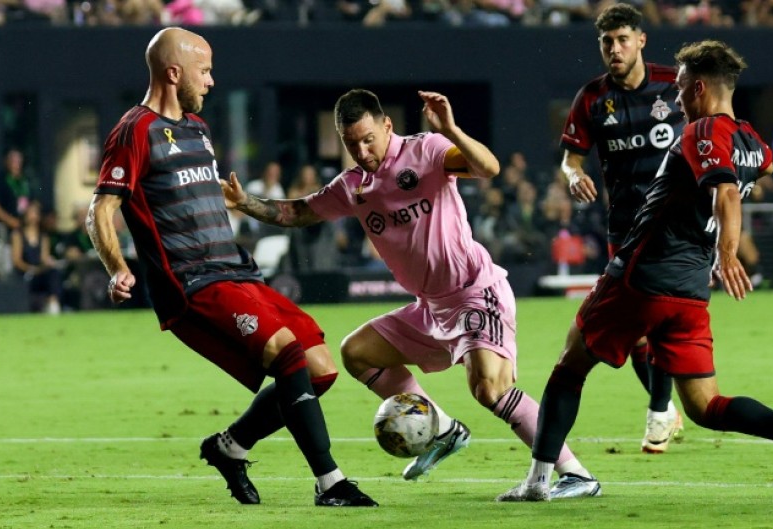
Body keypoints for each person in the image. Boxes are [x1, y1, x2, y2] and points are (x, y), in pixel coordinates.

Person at [497, 39, 773, 502]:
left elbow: (726, 191)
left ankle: (538, 481)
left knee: (570, 365)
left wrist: (728, 251)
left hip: (642, 276)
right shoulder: (751, 142)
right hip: (690, 291)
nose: (677, 99)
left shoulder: (702, 130)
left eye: (682, 88)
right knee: (706, 405)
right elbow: (761, 167)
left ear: (700, 88)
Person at [221, 88, 601, 499]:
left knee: (490, 390)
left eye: (368, 139)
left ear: (387, 126)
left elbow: (488, 167)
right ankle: (442, 429)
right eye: (351, 144)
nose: (362, 151)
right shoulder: (353, 185)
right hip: (431, 308)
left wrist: (451, 129)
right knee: (357, 352)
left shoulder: (427, 150)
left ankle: (574, 473)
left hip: (475, 292)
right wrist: (245, 203)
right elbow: (298, 212)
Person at [86, 27, 376, 508]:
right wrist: (117, 267)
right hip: (192, 282)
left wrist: (238, 202)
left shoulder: (198, 130)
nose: (211, 81)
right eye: (204, 71)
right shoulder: (134, 130)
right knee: (287, 354)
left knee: (320, 369)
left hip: (237, 272)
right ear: (173, 73)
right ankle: (331, 483)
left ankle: (232, 446)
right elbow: (101, 209)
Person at [559, 2, 686, 453]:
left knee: (658, 318)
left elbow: (712, 121)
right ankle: (665, 408)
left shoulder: (675, 84)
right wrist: (574, 176)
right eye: (607, 42)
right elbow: (570, 159)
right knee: (633, 335)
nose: (614, 49)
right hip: (624, 226)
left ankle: (658, 412)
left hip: (676, 224)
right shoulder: (592, 98)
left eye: (622, 40)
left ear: (641, 41)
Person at [10, 200, 62, 314]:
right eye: (31, 213)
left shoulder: (43, 236)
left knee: (54, 273)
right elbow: (17, 260)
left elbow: (44, 258)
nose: (34, 216)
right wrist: (30, 269)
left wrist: (48, 263)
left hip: (38, 271)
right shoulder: (17, 234)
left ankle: (53, 302)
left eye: (36, 213)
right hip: (24, 272)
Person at [0, 148, 34, 233]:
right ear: (6, 161)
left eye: (18, 159)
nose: (16, 162)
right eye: (13, 159)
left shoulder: (26, 181)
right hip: (3, 229)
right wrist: (11, 221)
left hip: (24, 229)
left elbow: (33, 202)